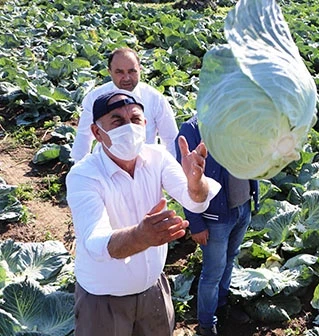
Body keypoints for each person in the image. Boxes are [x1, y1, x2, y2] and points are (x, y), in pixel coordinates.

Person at [66, 89, 221, 336]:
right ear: (97, 133)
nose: (129, 127)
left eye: (135, 120)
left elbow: (195, 201)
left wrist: (195, 183)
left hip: (153, 289)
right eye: (117, 122)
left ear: (145, 123)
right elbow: (95, 243)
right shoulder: (84, 176)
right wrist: (141, 236)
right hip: (104, 299)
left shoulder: (156, 156)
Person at [176, 116, 260, 336]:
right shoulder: (192, 129)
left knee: (230, 258)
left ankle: (221, 306)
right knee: (212, 272)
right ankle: (206, 323)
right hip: (215, 217)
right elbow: (184, 181)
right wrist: (195, 222)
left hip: (242, 208)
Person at [71, 47, 179, 162]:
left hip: (145, 166)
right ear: (110, 72)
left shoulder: (155, 99)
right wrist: (80, 170)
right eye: (119, 72)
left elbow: (171, 140)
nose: (126, 78)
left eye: (132, 71)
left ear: (140, 70)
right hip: (107, 167)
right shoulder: (94, 98)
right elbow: (84, 137)